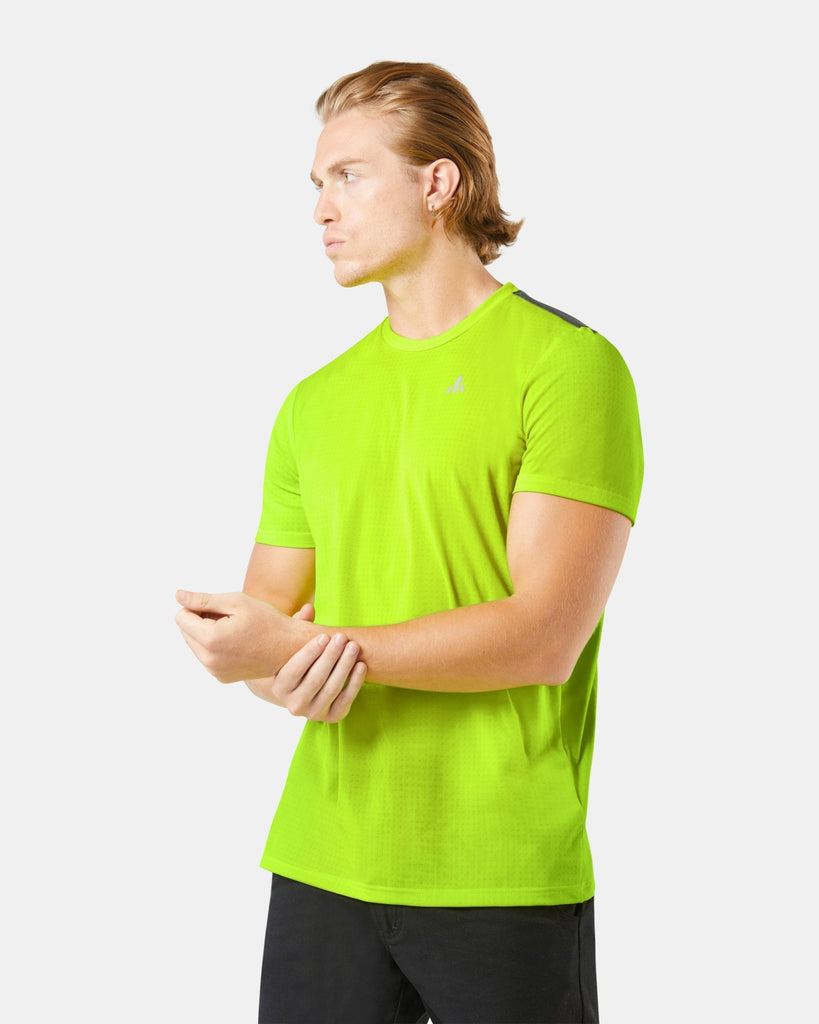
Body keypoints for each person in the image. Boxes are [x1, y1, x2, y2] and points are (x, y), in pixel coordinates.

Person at [175, 60, 644, 1024]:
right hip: (322, 856)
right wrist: (262, 665)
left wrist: (307, 649)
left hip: (498, 869)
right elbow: (270, 636)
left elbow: (542, 636)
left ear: (439, 183)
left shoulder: (570, 368)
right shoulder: (312, 403)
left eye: (348, 175)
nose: (320, 208)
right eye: (316, 183)